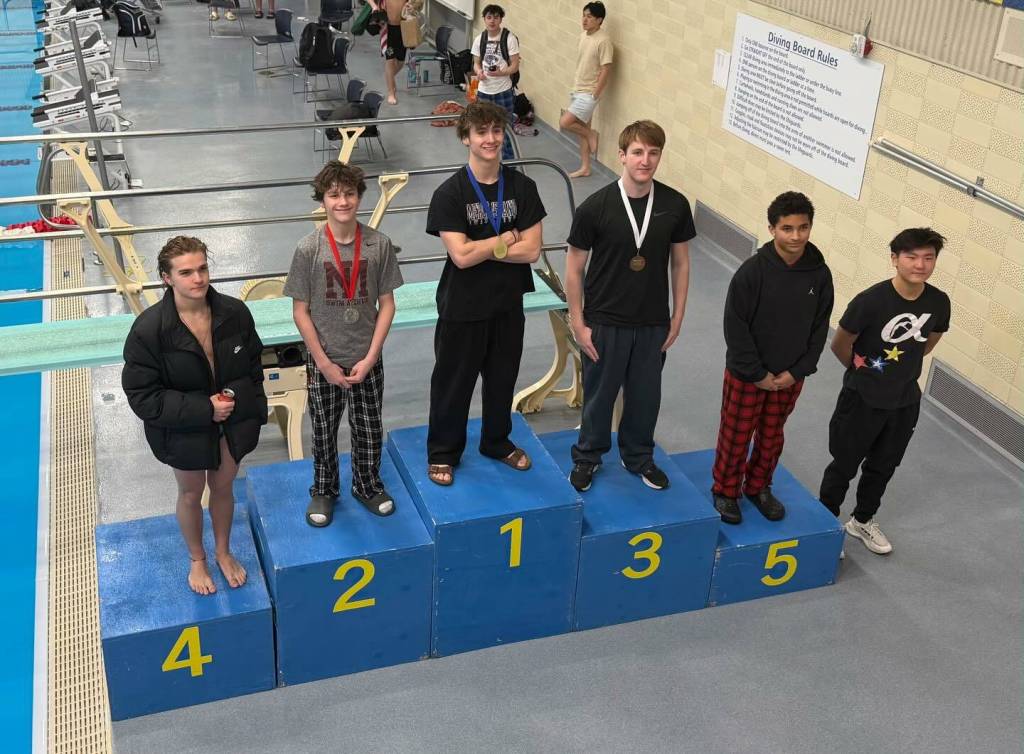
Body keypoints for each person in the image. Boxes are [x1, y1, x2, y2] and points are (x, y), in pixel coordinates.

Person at [122, 236, 268, 596]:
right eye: (186, 272)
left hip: (231, 422)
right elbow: (143, 396)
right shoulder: (148, 331)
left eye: (202, 268)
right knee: (191, 493)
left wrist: (240, 403)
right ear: (166, 277)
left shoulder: (235, 313)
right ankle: (197, 559)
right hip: (183, 429)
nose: (198, 278)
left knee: (223, 488)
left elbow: (253, 367)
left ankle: (222, 551)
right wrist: (205, 409)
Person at [565, 120, 694, 492]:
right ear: (622, 155)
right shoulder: (596, 207)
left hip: (652, 321)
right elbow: (574, 268)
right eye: (637, 152)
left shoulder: (674, 205)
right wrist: (578, 322)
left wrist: (678, 316)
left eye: (653, 153)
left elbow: (681, 263)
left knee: (645, 396)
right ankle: (587, 457)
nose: (646, 160)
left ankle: (638, 456)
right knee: (598, 397)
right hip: (604, 321)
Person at [424, 101, 546, 486]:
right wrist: (507, 237)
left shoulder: (523, 187)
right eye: (481, 132)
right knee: (453, 382)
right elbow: (459, 257)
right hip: (463, 306)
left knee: (502, 378)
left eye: (496, 131)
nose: (490, 139)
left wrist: (486, 248)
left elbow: (533, 250)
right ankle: (443, 452)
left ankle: (496, 441)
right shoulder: (451, 194)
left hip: (508, 304)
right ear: (466, 138)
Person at [284, 161, 404, 526]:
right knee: (323, 427)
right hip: (326, 359)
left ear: (359, 197)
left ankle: (367, 485)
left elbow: (387, 304)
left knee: (368, 425)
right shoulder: (308, 249)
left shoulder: (378, 245)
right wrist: (322, 362)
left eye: (349, 194)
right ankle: (324, 489)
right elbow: (300, 311)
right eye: (334, 195)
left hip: (365, 357)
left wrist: (371, 356)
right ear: (322, 200)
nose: (342, 201)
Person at [818, 228, 950, 555]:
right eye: (911, 256)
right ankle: (824, 523)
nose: (920, 264)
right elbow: (840, 344)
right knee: (844, 464)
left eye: (928, 258)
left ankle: (862, 520)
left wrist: (897, 374)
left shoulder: (938, 302)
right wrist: (867, 375)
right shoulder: (870, 301)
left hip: (904, 401)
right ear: (894, 259)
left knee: (884, 465)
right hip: (862, 397)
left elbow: (927, 343)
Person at [711, 192, 834, 525]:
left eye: (803, 227)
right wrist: (757, 374)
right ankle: (725, 490)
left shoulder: (820, 275)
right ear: (772, 229)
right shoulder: (752, 273)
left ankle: (758, 486)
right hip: (748, 374)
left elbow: (820, 328)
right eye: (787, 228)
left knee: (771, 435)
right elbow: (735, 328)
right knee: (736, 434)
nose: (796, 236)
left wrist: (797, 371)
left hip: (789, 378)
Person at [558, 2, 612, 178]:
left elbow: (606, 69)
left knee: (565, 122)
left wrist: (595, 94)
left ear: (599, 20)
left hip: (589, 92)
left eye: (589, 17)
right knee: (581, 130)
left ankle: (591, 134)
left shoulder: (603, 41)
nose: (585, 19)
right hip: (578, 89)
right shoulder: (583, 36)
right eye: (584, 15)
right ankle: (585, 167)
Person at [472, 4, 520, 160]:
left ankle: (509, 164)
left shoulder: (509, 38)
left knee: (505, 129)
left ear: (501, 19)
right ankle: (486, 160)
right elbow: (476, 63)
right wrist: (479, 72)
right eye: (489, 17)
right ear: (485, 19)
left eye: (496, 17)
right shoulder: (480, 39)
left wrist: (501, 73)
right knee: (483, 128)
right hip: (484, 91)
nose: (492, 21)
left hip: (503, 91)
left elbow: (514, 66)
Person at [382, 0, 409, 105]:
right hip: (389, 30)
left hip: (404, 28)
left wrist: (412, 5)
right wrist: (374, 6)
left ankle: (389, 77)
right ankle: (391, 92)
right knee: (390, 59)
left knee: (401, 61)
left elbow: (418, 3)